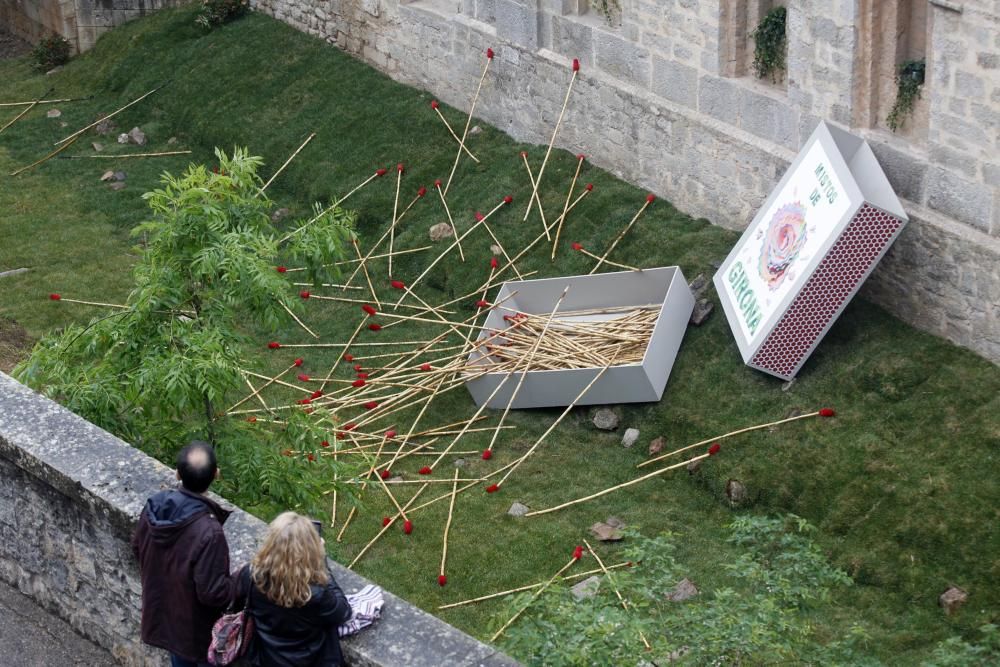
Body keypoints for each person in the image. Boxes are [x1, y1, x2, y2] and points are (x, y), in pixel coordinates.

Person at [132, 440, 235, 667]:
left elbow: (138, 548)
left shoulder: (154, 507)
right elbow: (213, 593)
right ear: (216, 474)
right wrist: (240, 581)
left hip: (163, 613)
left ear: (177, 474)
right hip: (194, 630)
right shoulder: (209, 532)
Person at [234, 512, 352, 666]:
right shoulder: (316, 593)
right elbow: (343, 612)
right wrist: (322, 564)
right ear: (310, 550)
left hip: (268, 658)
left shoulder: (250, 575)